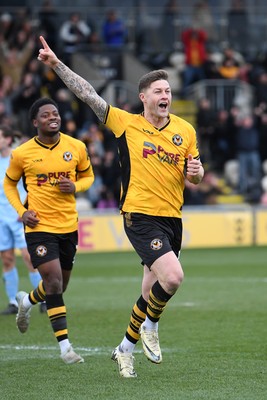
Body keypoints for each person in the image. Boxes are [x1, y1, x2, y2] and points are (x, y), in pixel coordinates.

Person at [36, 36, 204, 377]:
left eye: (168, 91)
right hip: (140, 215)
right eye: (158, 91)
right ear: (143, 98)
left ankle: (124, 349)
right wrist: (56, 65)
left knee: (148, 292)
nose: (165, 96)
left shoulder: (185, 131)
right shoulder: (126, 123)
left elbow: (196, 177)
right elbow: (87, 93)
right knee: (172, 278)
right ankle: (151, 328)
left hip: (173, 218)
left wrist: (198, 172)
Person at [3, 97, 94, 364]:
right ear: (35, 122)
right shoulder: (22, 153)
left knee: (59, 286)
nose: (53, 117)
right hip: (39, 227)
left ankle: (27, 301)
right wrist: (22, 212)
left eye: (55, 113)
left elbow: (88, 176)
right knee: (53, 281)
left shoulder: (75, 147)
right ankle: (66, 348)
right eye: (46, 115)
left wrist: (76, 187)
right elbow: (9, 185)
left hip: (68, 225)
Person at [0, 125, 43, 315]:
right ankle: (13, 302)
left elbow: (31, 184)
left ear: (8, 139)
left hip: (18, 216)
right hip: (1, 218)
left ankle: (42, 299)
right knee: (7, 259)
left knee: (29, 257)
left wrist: (25, 209)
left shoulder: (18, 156)